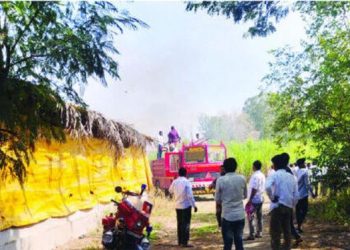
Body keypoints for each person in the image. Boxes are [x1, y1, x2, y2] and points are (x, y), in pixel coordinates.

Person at [266, 154, 298, 250]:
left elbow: (267, 187)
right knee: (287, 232)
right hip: (288, 207)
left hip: (277, 207)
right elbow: (296, 196)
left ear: (275, 165)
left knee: (275, 233)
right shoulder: (292, 177)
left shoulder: (274, 175)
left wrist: (272, 198)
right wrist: (292, 205)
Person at [215, 158, 247, 250]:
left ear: (224, 168)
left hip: (227, 215)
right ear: (236, 167)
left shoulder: (220, 180)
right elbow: (245, 196)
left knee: (227, 244)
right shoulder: (242, 178)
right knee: (239, 242)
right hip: (240, 215)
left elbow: (217, 199)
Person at [169, 167, 198, 248]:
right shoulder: (187, 182)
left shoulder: (175, 181)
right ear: (186, 173)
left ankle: (180, 241)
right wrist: (194, 205)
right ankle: (184, 242)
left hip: (177, 206)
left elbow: (170, 190)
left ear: (178, 173)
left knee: (180, 223)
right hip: (186, 206)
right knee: (186, 224)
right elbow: (190, 195)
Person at [245, 160, 266, 241]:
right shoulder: (262, 175)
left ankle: (252, 234)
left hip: (254, 199)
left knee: (251, 216)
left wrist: (250, 199)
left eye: (252, 166)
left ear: (254, 166)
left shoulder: (255, 176)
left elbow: (254, 188)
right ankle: (259, 232)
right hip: (260, 198)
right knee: (259, 216)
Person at [295, 158, 314, 233]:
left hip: (296, 195)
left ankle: (299, 225)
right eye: (304, 163)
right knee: (304, 210)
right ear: (301, 164)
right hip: (303, 195)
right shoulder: (305, 172)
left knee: (298, 211)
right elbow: (307, 184)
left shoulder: (295, 172)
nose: (305, 164)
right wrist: (312, 192)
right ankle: (299, 225)